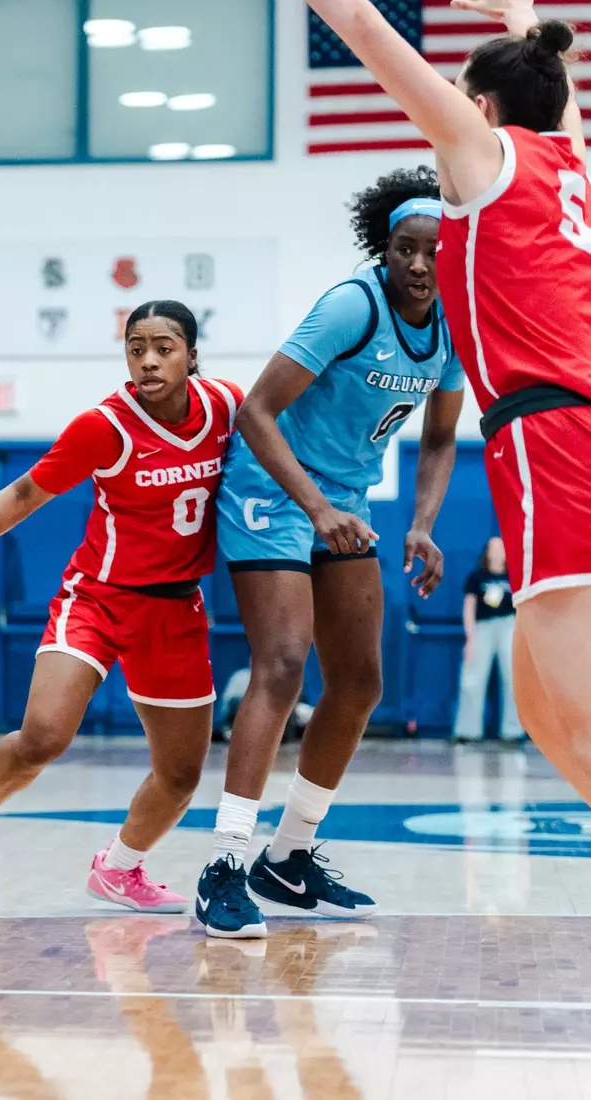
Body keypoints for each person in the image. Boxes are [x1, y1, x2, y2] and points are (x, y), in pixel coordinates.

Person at [311, 0, 591, 796]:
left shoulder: (483, 149)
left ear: (480, 106)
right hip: (555, 429)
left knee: (575, 699)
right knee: (540, 708)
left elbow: (365, 30)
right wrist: (518, 12)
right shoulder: (569, 160)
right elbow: (558, 96)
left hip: (553, 433)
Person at [197, 164, 466, 938]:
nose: (417, 264)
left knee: (360, 682)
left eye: (431, 252)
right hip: (272, 491)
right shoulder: (352, 306)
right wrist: (313, 506)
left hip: (343, 501)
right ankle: (223, 865)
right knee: (282, 664)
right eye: (404, 249)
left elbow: (443, 435)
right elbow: (255, 410)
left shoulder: (452, 328)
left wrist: (421, 523)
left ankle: (290, 854)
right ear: (384, 249)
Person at [0, 302, 232, 918]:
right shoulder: (105, 425)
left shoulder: (228, 409)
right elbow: (27, 491)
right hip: (98, 598)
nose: (149, 359)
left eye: (165, 346)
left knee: (182, 774)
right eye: (136, 347)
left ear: (191, 353)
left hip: (176, 607)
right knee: (44, 737)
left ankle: (119, 869)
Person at [455, 536, 522, 741]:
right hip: (482, 628)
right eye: (493, 547)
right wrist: (470, 638)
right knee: (472, 680)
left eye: (501, 547)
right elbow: (469, 607)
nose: (497, 551)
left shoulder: (515, 577)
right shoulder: (476, 578)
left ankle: (513, 731)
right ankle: (467, 731)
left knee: (513, 680)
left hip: (509, 627)